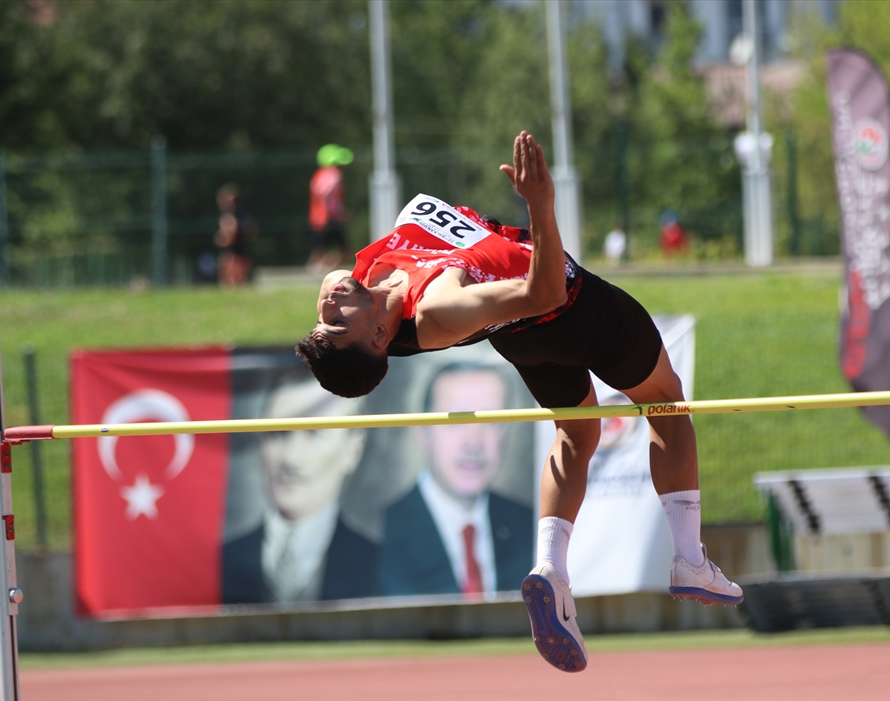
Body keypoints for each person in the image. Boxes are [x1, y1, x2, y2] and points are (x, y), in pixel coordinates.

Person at [296, 132, 742, 673]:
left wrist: (336, 306)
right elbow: (544, 293)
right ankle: (689, 559)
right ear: (377, 340)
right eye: (336, 322)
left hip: (525, 339)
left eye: (322, 316)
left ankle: (550, 570)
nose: (330, 304)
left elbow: (347, 277)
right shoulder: (438, 309)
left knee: (577, 433)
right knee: (665, 404)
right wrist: (541, 206)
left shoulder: (365, 281)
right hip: (576, 310)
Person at [222, 368, 379, 604]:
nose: (291, 459)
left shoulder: (379, 561)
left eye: (314, 434)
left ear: (353, 449)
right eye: (278, 434)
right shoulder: (222, 560)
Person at [380, 362, 534, 597]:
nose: (474, 442)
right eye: (457, 421)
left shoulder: (530, 525)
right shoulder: (378, 532)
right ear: (424, 432)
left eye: (492, 421)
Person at [308, 144, 352, 271]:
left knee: (320, 249)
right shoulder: (334, 174)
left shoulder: (318, 175)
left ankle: (319, 269)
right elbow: (328, 195)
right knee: (344, 250)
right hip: (329, 218)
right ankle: (324, 269)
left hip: (317, 217)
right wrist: (338, 213)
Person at [214, 184, 257, 287]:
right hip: (228, 255)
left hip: (240, 253)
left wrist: (236, 231)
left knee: (239, 282)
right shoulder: (221, 216)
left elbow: (252, 232)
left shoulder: (242, 216)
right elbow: (219, 239)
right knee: (228, 282)